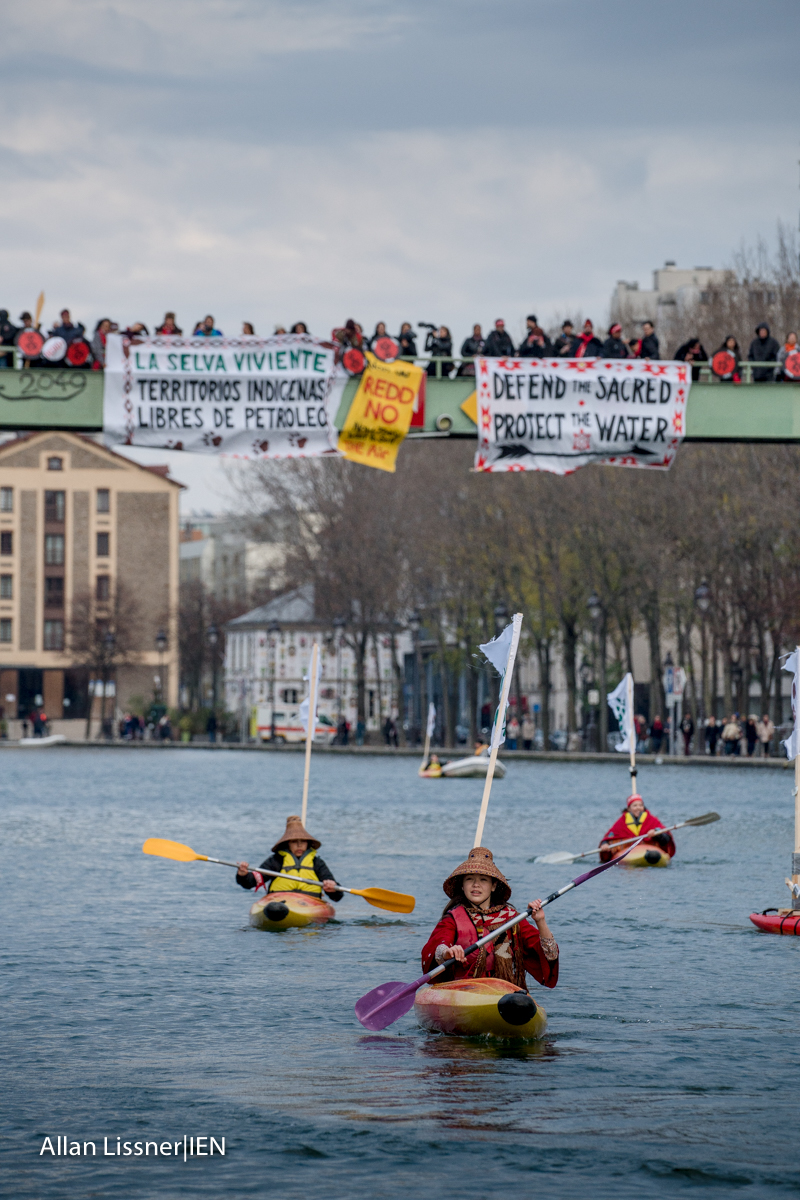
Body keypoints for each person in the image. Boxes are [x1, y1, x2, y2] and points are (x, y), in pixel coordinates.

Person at [420, 846, 559, 991]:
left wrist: (540, 921)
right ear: (462, 885)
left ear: (493, 886)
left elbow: (549, 955)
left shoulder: (512, 918)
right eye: (469, 879)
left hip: (505, 994)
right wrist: (447, 953)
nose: (476, 885)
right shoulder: (453, 918)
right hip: (463, 992)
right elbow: (437, 946)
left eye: (483, 879)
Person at [236, 814, 343, 902]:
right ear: (287, 844)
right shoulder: (276, 861)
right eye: (294, 841)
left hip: (309, 903)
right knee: (276, 909)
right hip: (279, 903)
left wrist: (332, 888)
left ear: (308, 843)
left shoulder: (317, 863)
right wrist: (243, 875)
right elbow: (251, 882)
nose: (299, 845)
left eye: (303, 841)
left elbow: (337, 896)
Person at [599, 793, 676, 863]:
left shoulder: (652, 820)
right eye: (635, 806)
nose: (638, 808)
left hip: (653, 853)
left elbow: (666, 838)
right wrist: (604, 844)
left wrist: (657, 833)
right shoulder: (621, 822)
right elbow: (609, 837)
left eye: (640, 805)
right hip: (628, 854)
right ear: (629, 808)